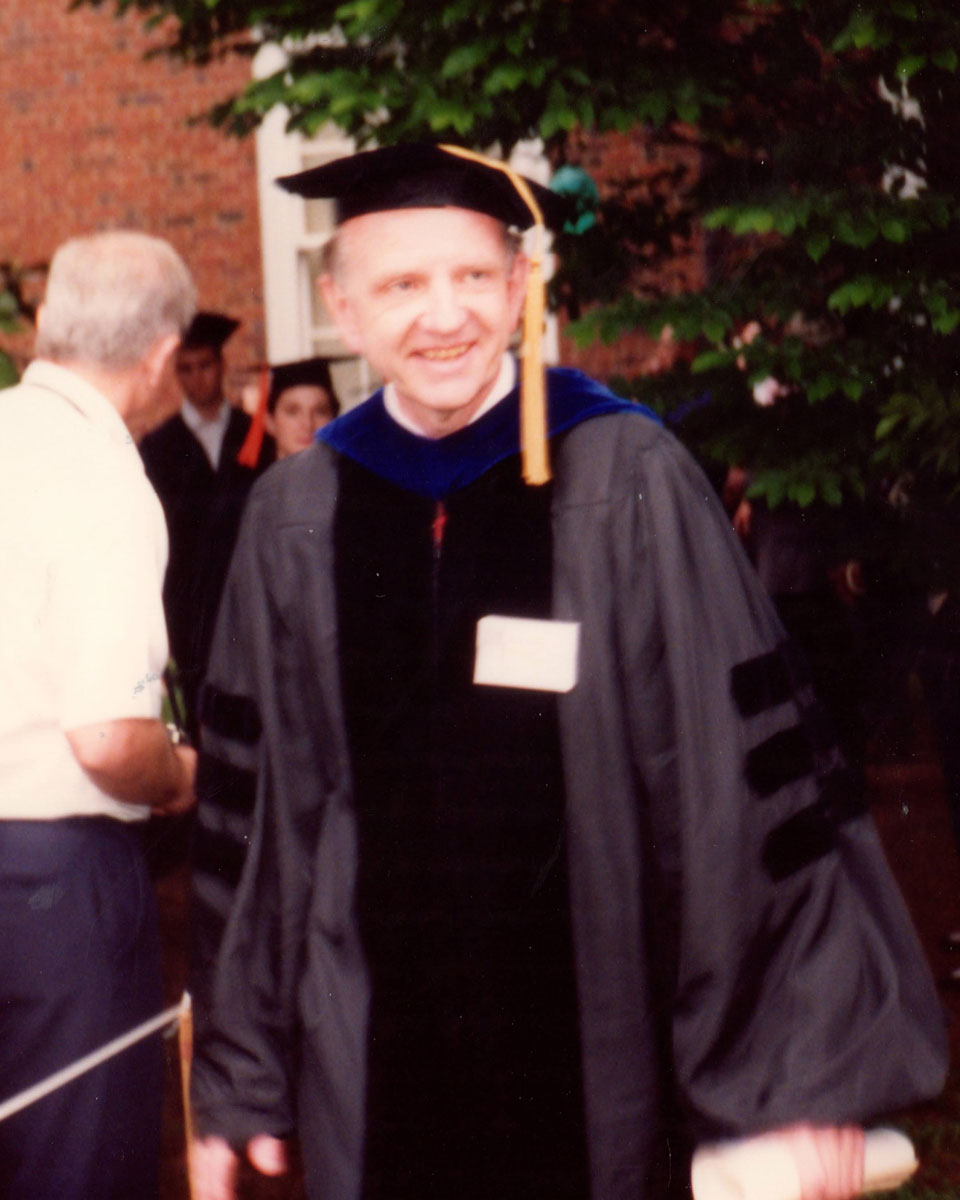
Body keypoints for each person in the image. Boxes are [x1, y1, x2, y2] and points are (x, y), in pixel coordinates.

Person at [189, 145, 946, 1200]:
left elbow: (737, 792)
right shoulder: (297, 515)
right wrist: (238, 1074)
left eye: (470, 278)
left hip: (600, 1050)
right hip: (371, 1054)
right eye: (402, 284)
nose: (442, 315)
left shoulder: (627, 476)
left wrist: (788, 1081)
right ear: (343, 309)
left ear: (518, 289)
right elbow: (259, 817)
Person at [0, 229, 198, 1199]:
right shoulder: (102, 476)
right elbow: (111, 740)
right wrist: (180, 773)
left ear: (45, 322)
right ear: (164, 356)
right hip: (53, 883)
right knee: (78, 1167)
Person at [139, 311, 274, 737]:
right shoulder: (158, 448)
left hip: (254, 594)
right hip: (191, 604)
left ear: (222, 365)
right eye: (186, 368)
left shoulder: (256, 436)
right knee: (203, 713)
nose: (198, 378)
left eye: (206, 365)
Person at [265, 355, 341, 459]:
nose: (308, 424)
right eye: (293, 412)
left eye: (320, 412)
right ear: (270, 422)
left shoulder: (355, 474)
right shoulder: (259, 475)